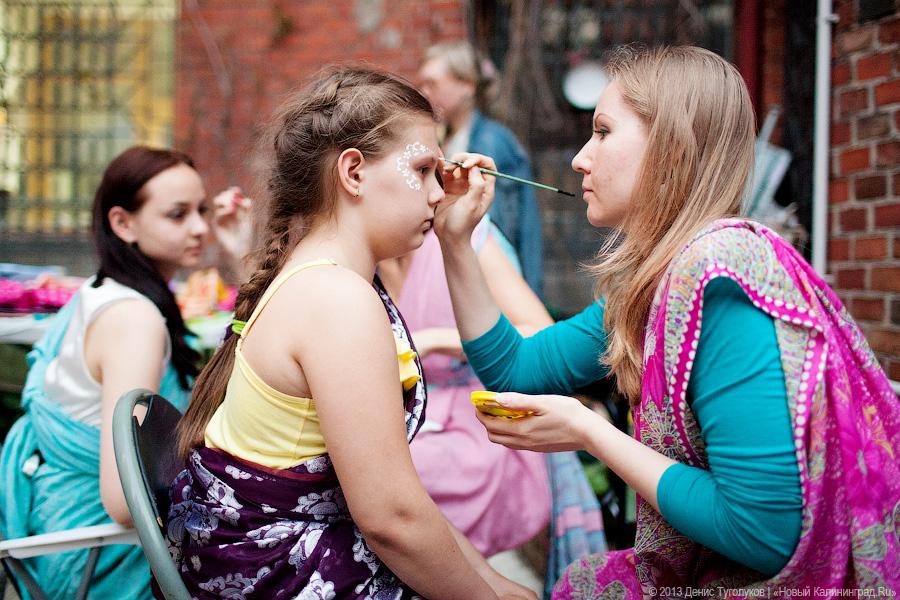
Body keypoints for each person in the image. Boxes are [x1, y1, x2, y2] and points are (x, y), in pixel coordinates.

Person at [434, 46, 900, 596]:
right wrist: (457, 242)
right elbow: (516, 369)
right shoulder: (654, 286)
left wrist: (591, 433)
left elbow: (764, 533)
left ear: (671, 147)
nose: (581, 158)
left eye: (603, 132)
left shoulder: (718, 275)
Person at [169, 67, 536, 600]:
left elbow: (401, 500)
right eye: (425, 169)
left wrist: (496, 583)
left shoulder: (322, 277)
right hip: (283, 573)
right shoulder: (338, 299)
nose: (439, 193)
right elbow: (391, 518)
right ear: (354, 173)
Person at [0, 146, 248, 599]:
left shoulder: (103, 291)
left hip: (62, 529)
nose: (199, 227)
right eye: (177, 215)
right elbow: (124, 498)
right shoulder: (134, 320)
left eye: (202, 210)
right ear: (123, 223)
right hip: (98, 556)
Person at [378, 219, 553, 559]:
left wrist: (436, 341)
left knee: (392, 482)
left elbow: (539, 334)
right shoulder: (366, 259)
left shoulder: (467, 239)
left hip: (478, 419)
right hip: (409, 416)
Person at [419, 40, 544, 296]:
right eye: (422, 84)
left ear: (466, 86)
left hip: (491, 280)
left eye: (432, 84)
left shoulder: (491, 142)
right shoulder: (446, 138)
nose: (424, 92)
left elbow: (499, 227)